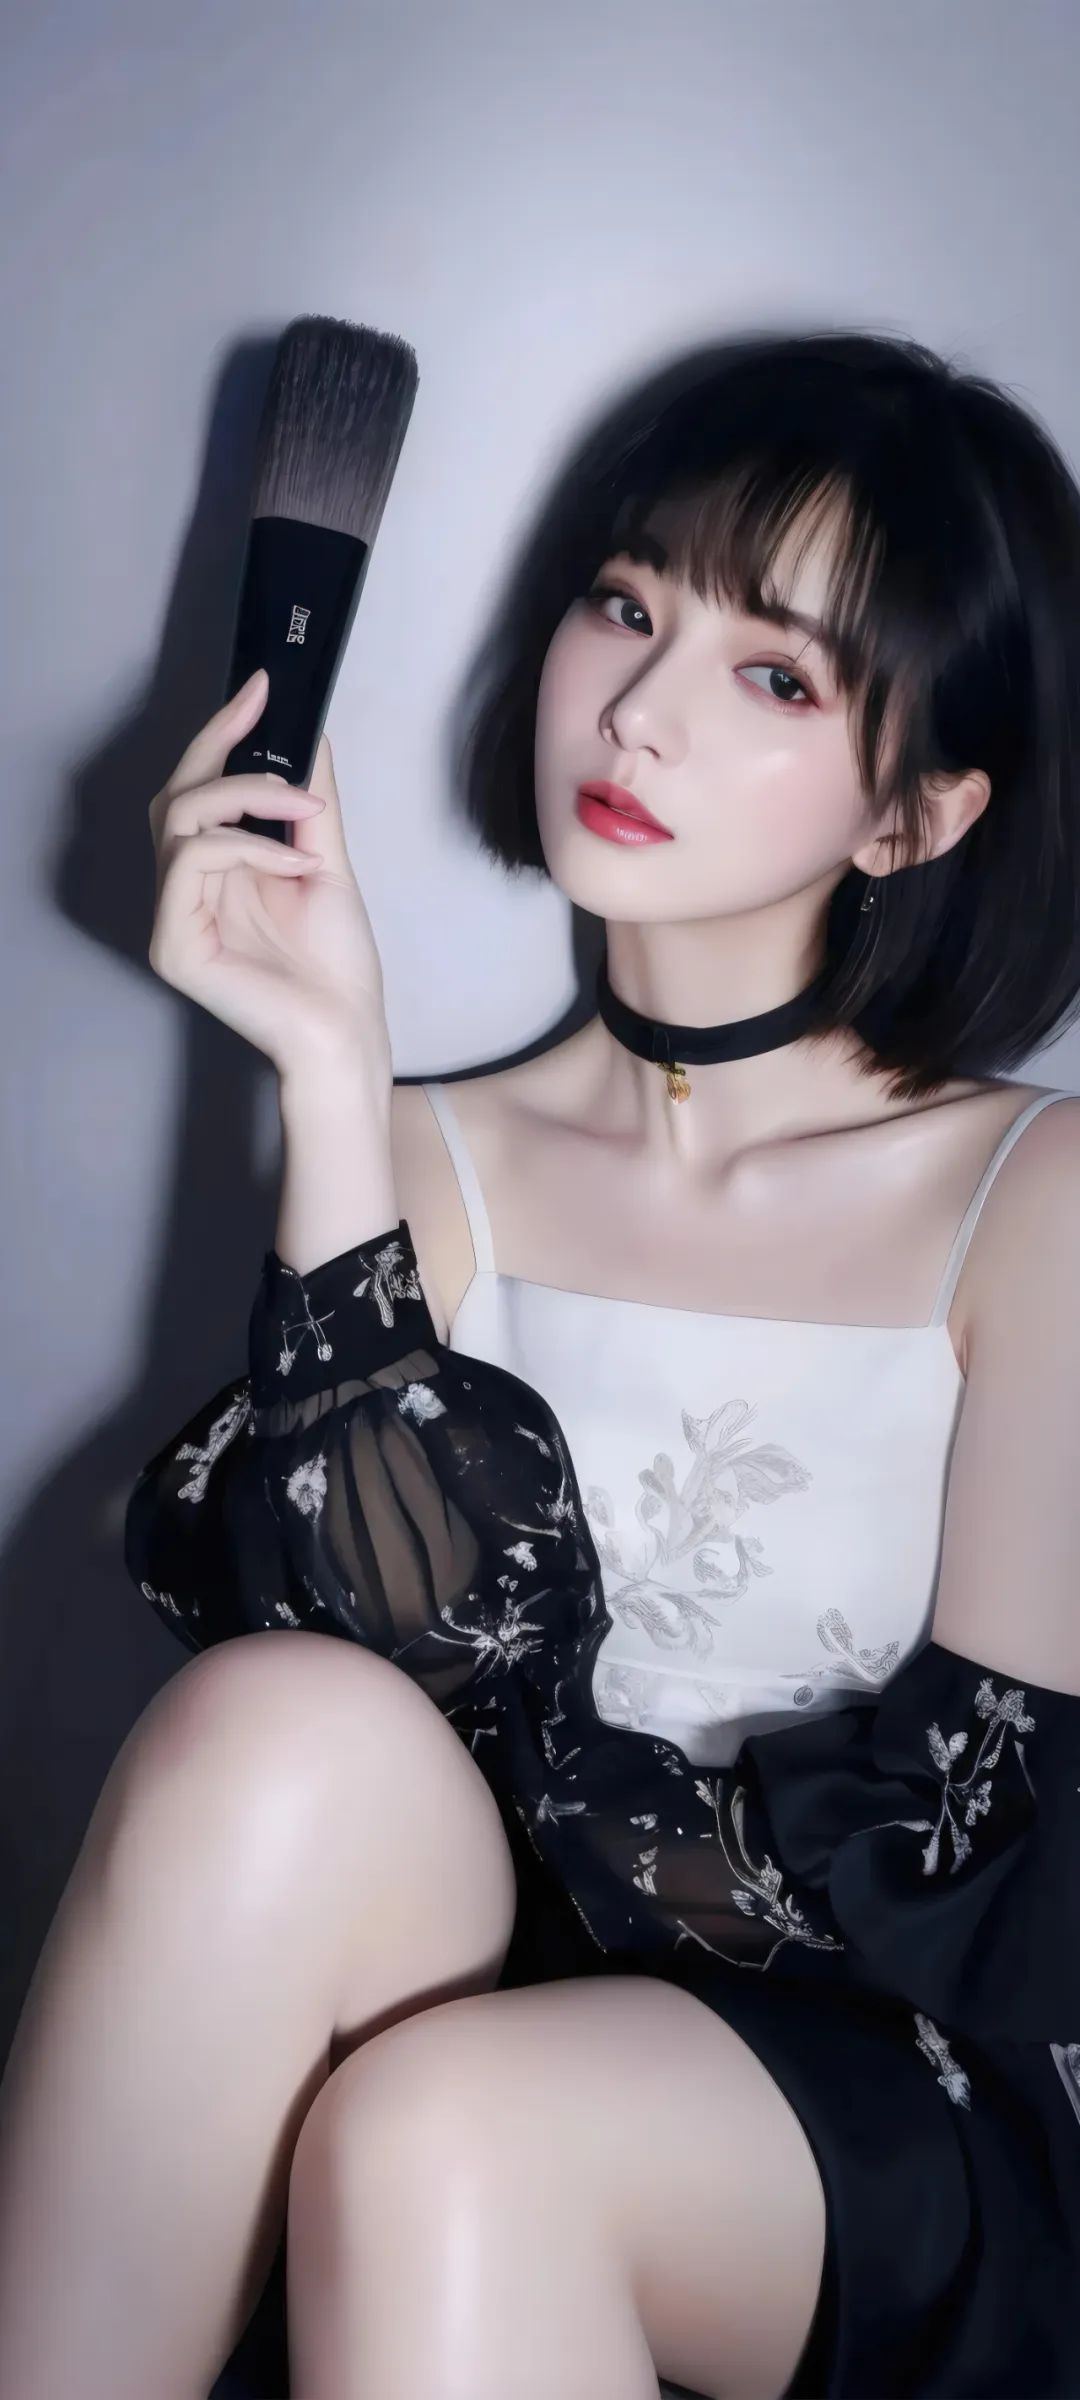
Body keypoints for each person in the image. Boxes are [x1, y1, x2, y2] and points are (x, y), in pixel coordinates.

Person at [1, 326, 1080, 2400]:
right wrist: (329, 1073)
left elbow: (984, 1837)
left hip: (888, 2089)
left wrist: (555, 1810)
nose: (643, 708)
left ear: (916, 813)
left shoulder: (1035, 1199)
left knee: (454, 2127)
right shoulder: (430, 1153)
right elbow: (346, 1694)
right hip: (498, 1993)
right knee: (274, 1730)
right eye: (630, 604)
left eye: (776, 676)